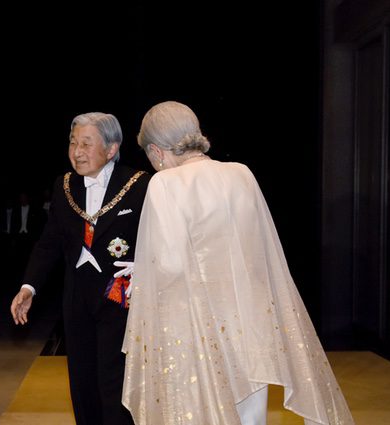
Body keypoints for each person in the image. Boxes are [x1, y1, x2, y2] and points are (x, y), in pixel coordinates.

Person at [122, 101, 354, 425]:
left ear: (157, 150)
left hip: (193, 326)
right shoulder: (241, 173)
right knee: (249, 415)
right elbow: (258, 247)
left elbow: (172, 264)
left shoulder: (165, 184)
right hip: (249, 321)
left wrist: (143, 273)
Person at [10, 112, 149, 425]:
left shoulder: (138, 184)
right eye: (73, 143)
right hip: (76, 301)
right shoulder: (65, 185)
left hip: (120, 298)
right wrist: (29, 286)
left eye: (87, 143)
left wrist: (147, 265)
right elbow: (49, 243)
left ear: (111, 149)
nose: (77, 151)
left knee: (114, 382)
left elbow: (161, 236)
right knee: (82, 380)